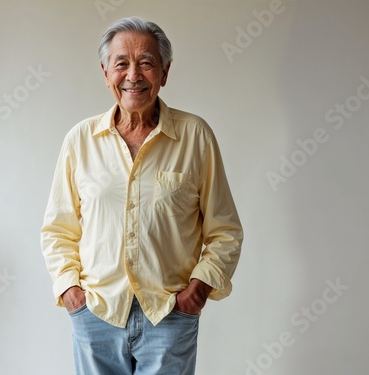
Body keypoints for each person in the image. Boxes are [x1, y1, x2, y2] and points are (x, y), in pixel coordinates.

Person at [41, 16, 243, 375]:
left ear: (164, 72)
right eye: (122, 63)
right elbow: (58, 230)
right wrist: (72, 293)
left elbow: (224, 230)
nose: (133, 75)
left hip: (169, 315)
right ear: (106, 73)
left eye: (146, 63)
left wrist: (196, 292)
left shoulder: (196, 136)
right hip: (97, 313)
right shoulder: (80, 140)